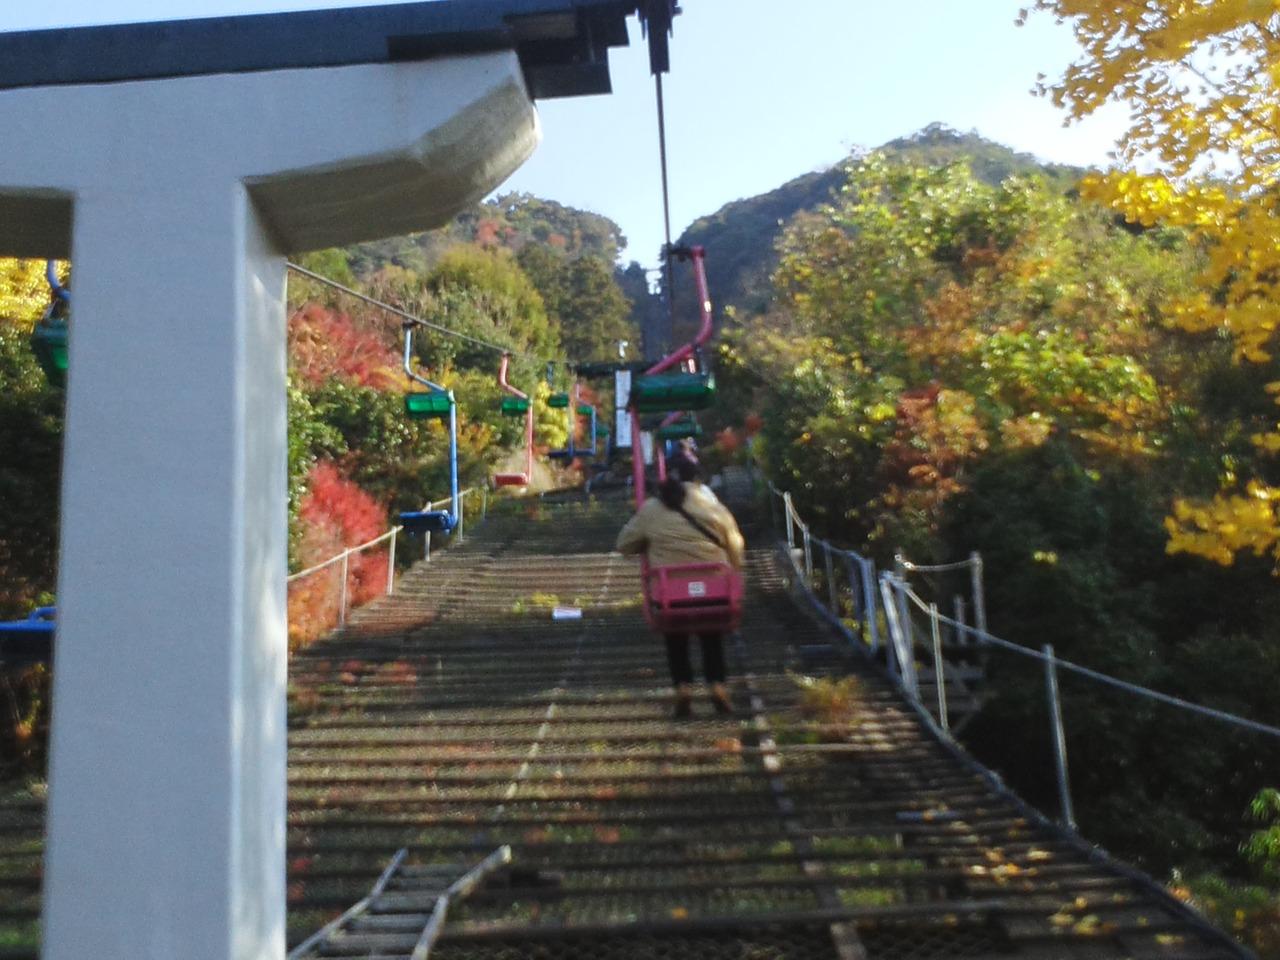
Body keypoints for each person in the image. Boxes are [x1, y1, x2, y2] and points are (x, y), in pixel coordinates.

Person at [616, 453, 746, 718]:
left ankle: (682, 686)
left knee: (675, 635)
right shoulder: (712, 506)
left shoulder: (652, 509)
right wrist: (735, 569)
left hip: (670, 593)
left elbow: (624, 544)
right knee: (711, 633)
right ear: (698, 479)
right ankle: (717, 684)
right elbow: (735, 544)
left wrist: (649, 542)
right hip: (715, 589)